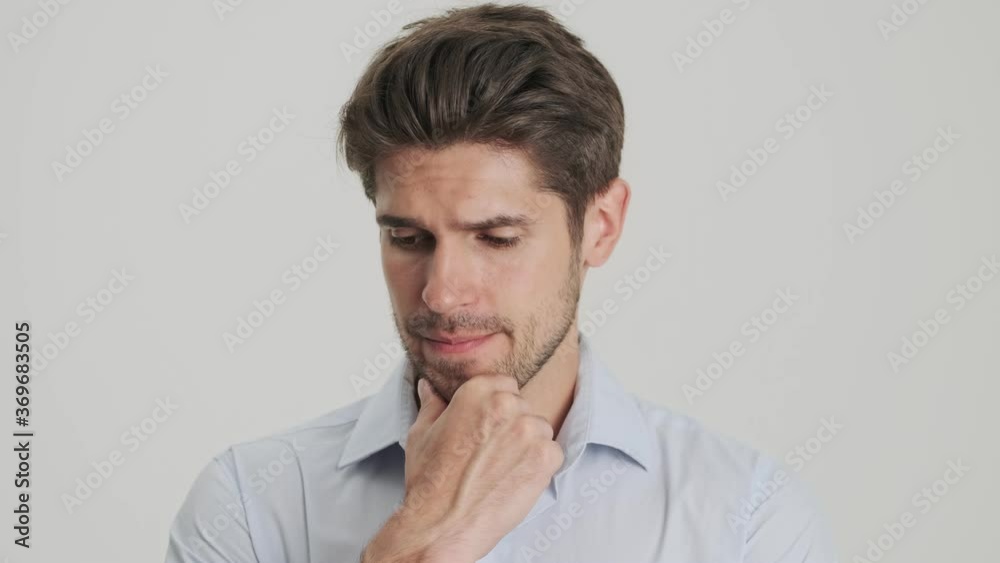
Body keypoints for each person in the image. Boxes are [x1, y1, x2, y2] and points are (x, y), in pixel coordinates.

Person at [164, 3, 837, 562]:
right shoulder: (252, 505)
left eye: (496, 237)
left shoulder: (745, 522)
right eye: (408, 237)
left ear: (599, 226)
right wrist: (422, 534)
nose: (441, 293)